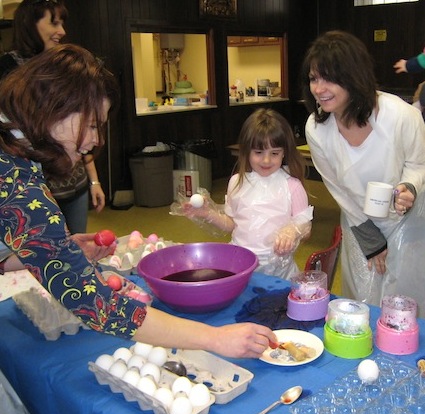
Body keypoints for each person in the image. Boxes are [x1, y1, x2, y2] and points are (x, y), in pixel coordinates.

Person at [0, 43, 276, 357]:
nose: (95, 140)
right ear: (55, 106)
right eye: (92, 125)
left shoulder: (13, 150)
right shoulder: (16, 178)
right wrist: (213, 338)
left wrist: (52, 251)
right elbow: (96, 302)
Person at [301, 30, 425, 316]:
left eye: (329, 77)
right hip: (360, 221)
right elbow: (339, 191)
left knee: (403, 302)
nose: (319, 88)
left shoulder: (400, 115)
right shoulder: (317, 128)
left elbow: (419, 164)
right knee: (362, 299)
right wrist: (371, 240)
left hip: (408, 221)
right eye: (313, 78)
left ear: (353, 76)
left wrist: (409, 187)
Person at [0, 0, 105, 234]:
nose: (62, 31)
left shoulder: (63, 67)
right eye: (53, 22)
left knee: (70, 247)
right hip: (33, 190)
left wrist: (94, 181)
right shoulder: (8, 69)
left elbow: (84, 132)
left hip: (72, 185)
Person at [174, 108, 313, 280]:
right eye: (258, 152)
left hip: (278, 272)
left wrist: (292, 231)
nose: (267, 160)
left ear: (284, 152)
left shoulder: (292, 186)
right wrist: (207, 213)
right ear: (246, 151)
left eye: (274, 153)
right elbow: (231, 224)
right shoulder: (236, 182)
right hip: (240, 266)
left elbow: (306, 229)